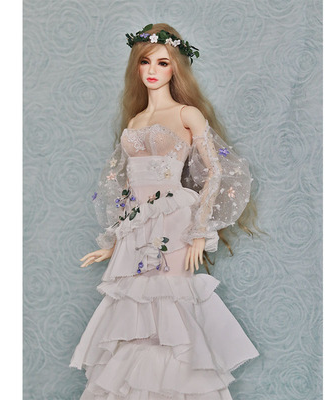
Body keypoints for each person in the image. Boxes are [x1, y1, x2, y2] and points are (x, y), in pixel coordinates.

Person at [70, 23, 260, 399]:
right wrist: (114, 241)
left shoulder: (188, 114)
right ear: (136, 66)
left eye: (162, 62)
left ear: (176, 67)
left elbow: (217, 171)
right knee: (133, 313)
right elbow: (126, 188)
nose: (153, 70)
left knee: (170, 304)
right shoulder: (135, 121)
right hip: (137, 229)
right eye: (145, 61)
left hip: (174, 222)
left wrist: (199, 231)